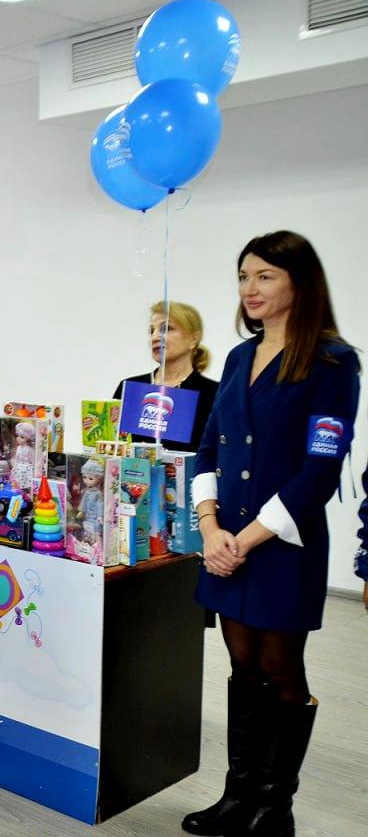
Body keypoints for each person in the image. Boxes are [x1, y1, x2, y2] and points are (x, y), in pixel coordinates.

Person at [184, 231, 359, 837]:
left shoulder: (333, 361)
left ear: (299, 283)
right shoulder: (238, 358)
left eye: (265, 276)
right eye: (243, 276)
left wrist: (246, 538)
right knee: (243, 665)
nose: (249, 288)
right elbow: (209, 450)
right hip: (224, 544)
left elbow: (321, 469)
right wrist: (209, 527)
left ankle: (273, 806)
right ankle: (238, 796)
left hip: (283, 547)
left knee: (281, 666)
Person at [113, 300, 218, 454]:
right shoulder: (129, 387)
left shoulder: (213, 393)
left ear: (194, 339)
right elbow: (112, 447)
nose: (155, 337)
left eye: (166, 328)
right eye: (151, 331)